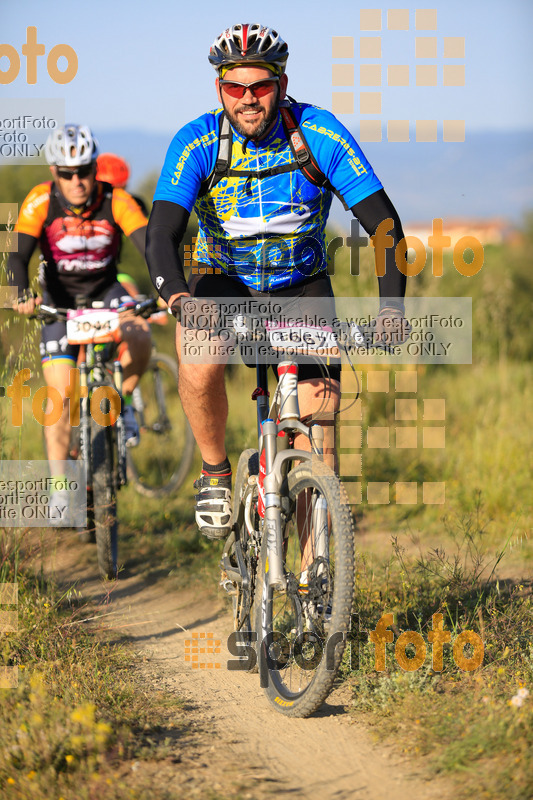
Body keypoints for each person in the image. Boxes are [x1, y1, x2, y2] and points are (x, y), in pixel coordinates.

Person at [146, 23, 408, 540]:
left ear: (282, 86)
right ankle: (216, 471)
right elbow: (162, 233)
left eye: (260, 86)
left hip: (299, 288)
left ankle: (317, 581)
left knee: (320, 424)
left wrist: (391, 309)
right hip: (223, 279)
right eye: (234, 88)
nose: (247, 99)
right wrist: (176, 295)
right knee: (198, 357)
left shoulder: (319, 133)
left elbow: (384, 226)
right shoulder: (196, 141)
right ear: (219, 89)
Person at [7, 124, 152, 514]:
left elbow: (148, 242)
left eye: (84, 171)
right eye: (67, 173)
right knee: (61, 397)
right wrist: (20, 293)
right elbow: (16, 256)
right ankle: (59, 488)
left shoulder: (116, 199)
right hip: (59, 301)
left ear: (94, 169)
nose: (77, 181)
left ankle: (124, 407)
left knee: (141, 336)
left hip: (107, 293)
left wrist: (167, 287)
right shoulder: (40, 200)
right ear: (54, 172)